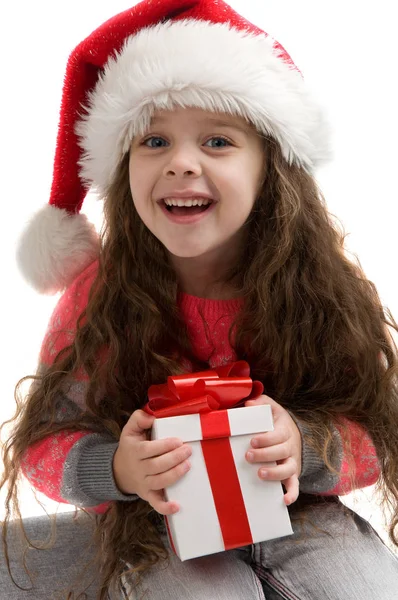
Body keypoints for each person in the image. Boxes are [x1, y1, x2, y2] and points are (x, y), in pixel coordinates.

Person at [1, 0, 398, 598]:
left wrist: (308, 448)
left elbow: (376, 429)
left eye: (217, 140)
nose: (181, 163)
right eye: (154, 140)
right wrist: (117, 468)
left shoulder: (318, 288)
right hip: (153, 525)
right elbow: (43, 445)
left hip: (304, 515)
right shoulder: (99, 293)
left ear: (270, 167)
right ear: (125, 167)